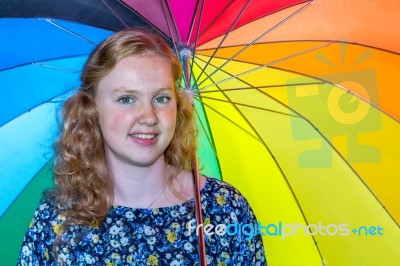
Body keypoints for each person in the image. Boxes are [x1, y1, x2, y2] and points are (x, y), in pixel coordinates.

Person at [17, 28, 266, 265]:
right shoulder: (57, 221)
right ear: (91, 109)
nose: (149, 116)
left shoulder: (225, 209)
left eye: (161, 98)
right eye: (127, 99)